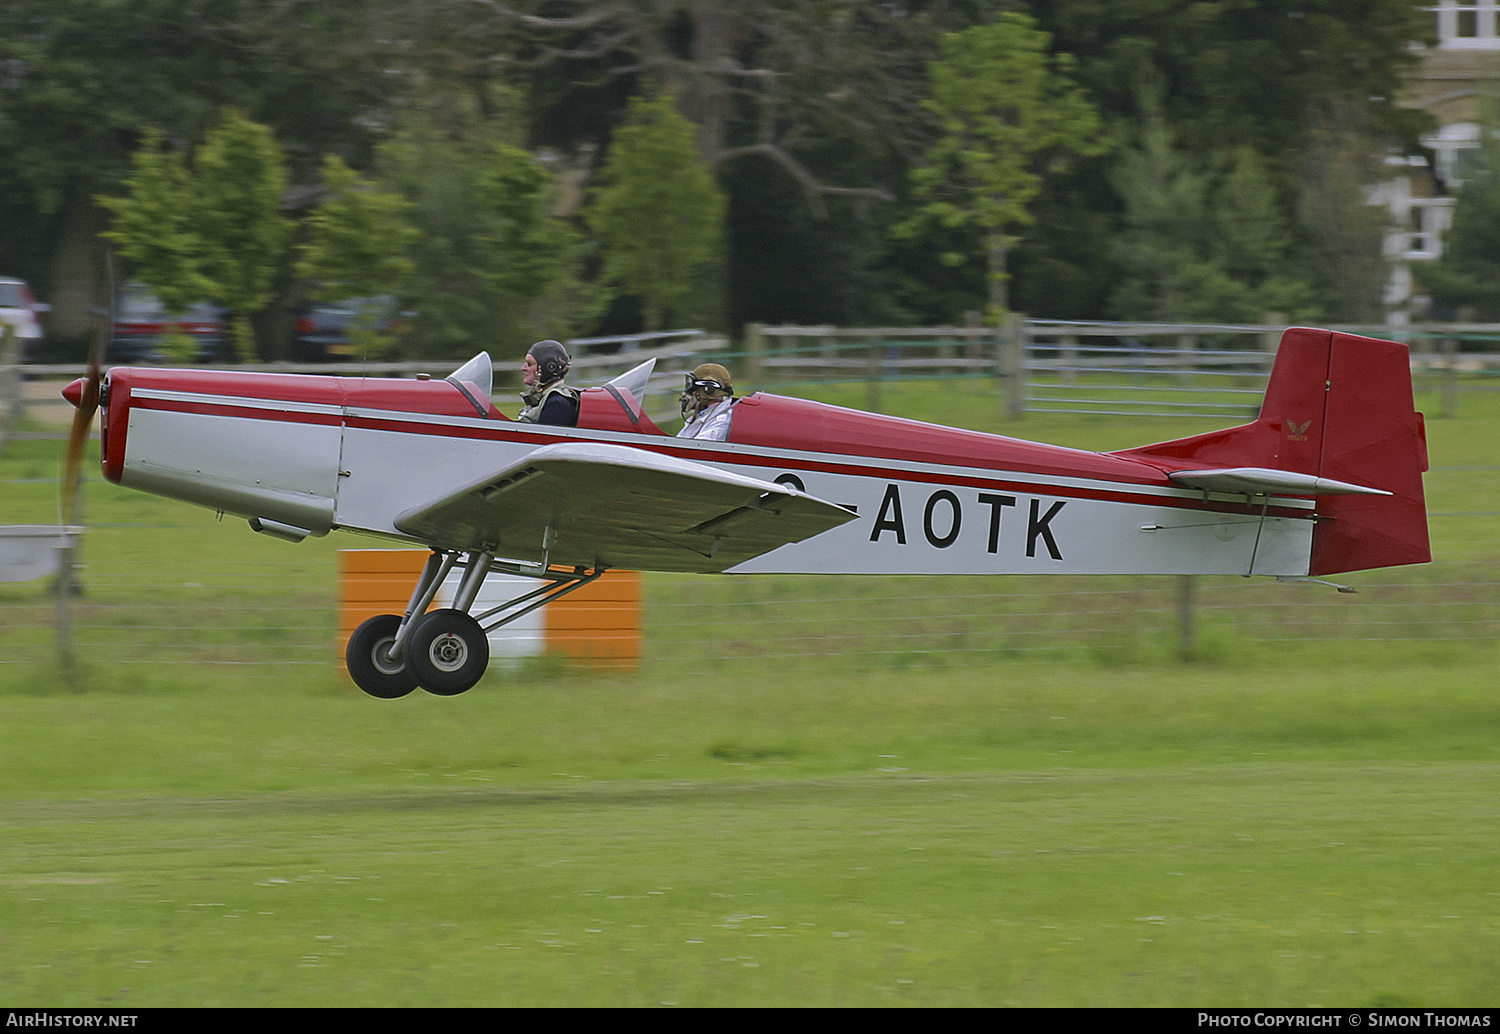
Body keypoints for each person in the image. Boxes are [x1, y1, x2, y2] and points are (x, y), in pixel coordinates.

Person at [517, 339, 579, 426]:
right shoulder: (545, 397)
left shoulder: (557, 403)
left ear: (549, 368)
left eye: (529, 364)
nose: (523, 368)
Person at [677, 363, 736, 441]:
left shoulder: (721, 421)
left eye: (693, 389)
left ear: (708, 390)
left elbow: (698, 449)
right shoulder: (704, 416)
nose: (686, 394)